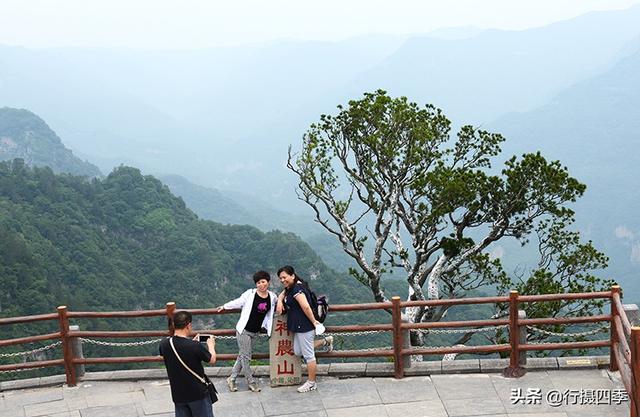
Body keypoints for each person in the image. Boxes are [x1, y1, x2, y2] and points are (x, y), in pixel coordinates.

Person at [276, 265, 333, 393]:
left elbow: (306, 307)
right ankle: (325, 341)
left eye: (284, 277)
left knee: (308, 356)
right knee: (297, 351)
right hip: (299, 326)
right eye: (280, 278)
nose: (282, 280)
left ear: (292, 276)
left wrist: (314, 322)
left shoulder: (297, 290)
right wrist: (280, 299)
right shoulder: (293, 287)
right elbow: (284, 293)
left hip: (305, 326)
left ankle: (311, 383)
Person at [217, 270, 277, 392]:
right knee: (246, 357)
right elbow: (238, 302)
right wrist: (224, 306)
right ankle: (251, 382)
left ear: (268, 282)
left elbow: (277, 304)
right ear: (256, 284)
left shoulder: (272, 297)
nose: (261, 284)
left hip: (255, 332)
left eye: (263, 281)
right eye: (258, 282)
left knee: (242, 356)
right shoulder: (250, 294)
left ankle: (232, 378)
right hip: (244, 330)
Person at [159, 310, 217, 417]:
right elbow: (212, 360)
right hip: (197, 394)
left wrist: (192, 343)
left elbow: (171, 354)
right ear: (188, 325)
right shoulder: (194, 346)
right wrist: (211, 346)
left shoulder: (164, 344)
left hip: (178, 394)